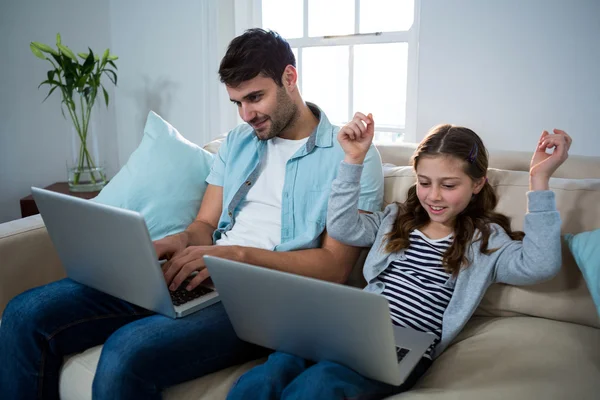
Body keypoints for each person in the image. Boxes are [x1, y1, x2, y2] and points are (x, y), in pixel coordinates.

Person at [0, 30, 383, 400]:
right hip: (205, 271)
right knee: (25, 314)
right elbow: (205, 225)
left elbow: (334, 266)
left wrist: (233, 256)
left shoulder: (350, 155)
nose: (246, 114)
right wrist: (176, 242)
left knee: (126, 353)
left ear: (290, 77)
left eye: (255, 97)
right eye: (237, 102)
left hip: (265, 299)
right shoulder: (238, 141)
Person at [227, 112, 571, 400]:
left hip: (402, 347)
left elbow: (541, 264)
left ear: (477, 184)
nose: (434, 196)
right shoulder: (395, 219)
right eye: (424, 182)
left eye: (449, 186)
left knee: (321, 384)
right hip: (350, 329)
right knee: (273, 370)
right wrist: (353, 160)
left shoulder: (485, 240)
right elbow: (344, 228)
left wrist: (538, 181)